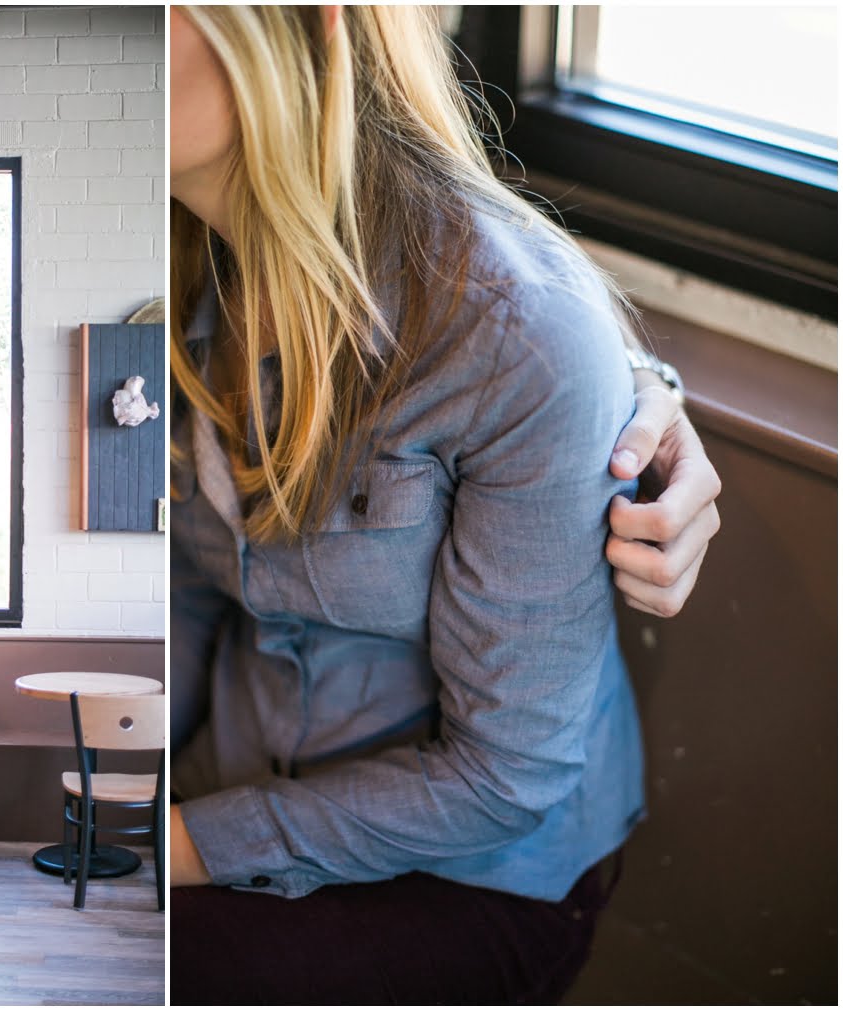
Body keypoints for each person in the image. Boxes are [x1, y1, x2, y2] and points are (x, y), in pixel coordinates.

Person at [168, 6, 722, 1005]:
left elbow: (504, 780)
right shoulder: (158, 273)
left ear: (308, 23)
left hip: (471, 866)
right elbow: (185, 597)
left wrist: (185, 843)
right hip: (232, 772)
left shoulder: (512, 331)